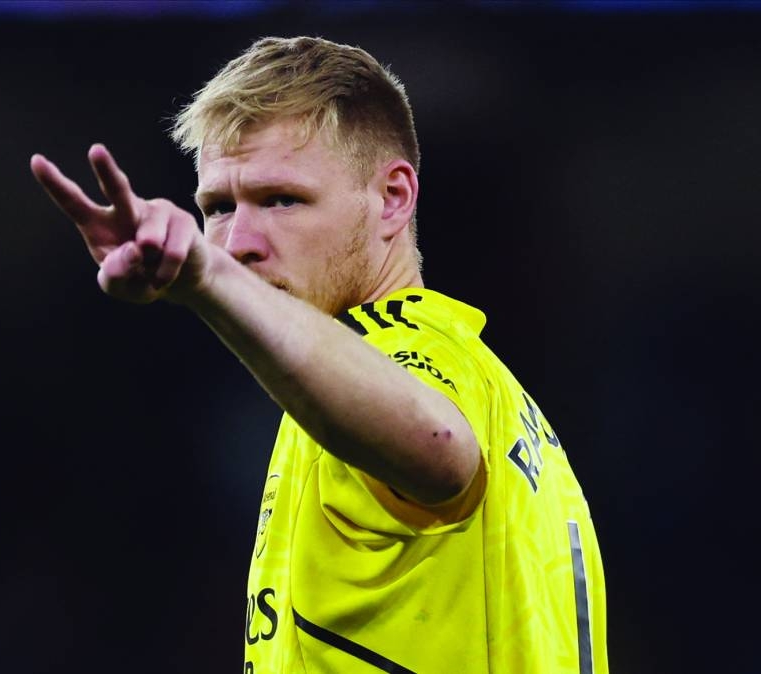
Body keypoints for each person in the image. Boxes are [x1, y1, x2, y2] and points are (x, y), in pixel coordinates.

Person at [30, 36, 608, 674]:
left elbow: (438, 441)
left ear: (392, 198)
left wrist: (205, 280)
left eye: (282, 199)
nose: (239, 242)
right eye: (217, 207)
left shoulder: (413, 351)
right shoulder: (425, 389)